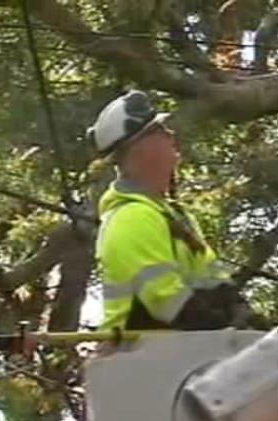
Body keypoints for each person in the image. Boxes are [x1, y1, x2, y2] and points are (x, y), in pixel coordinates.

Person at [87, 90, 267, 332]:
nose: (171, 134)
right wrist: (228, 330)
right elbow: (169, 306)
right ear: (142, 147)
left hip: (183, 355)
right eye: (161, 130)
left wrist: (243, 314)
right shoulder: (131, 219)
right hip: (139, 362)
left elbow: (216, 283)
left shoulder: (177, 217)